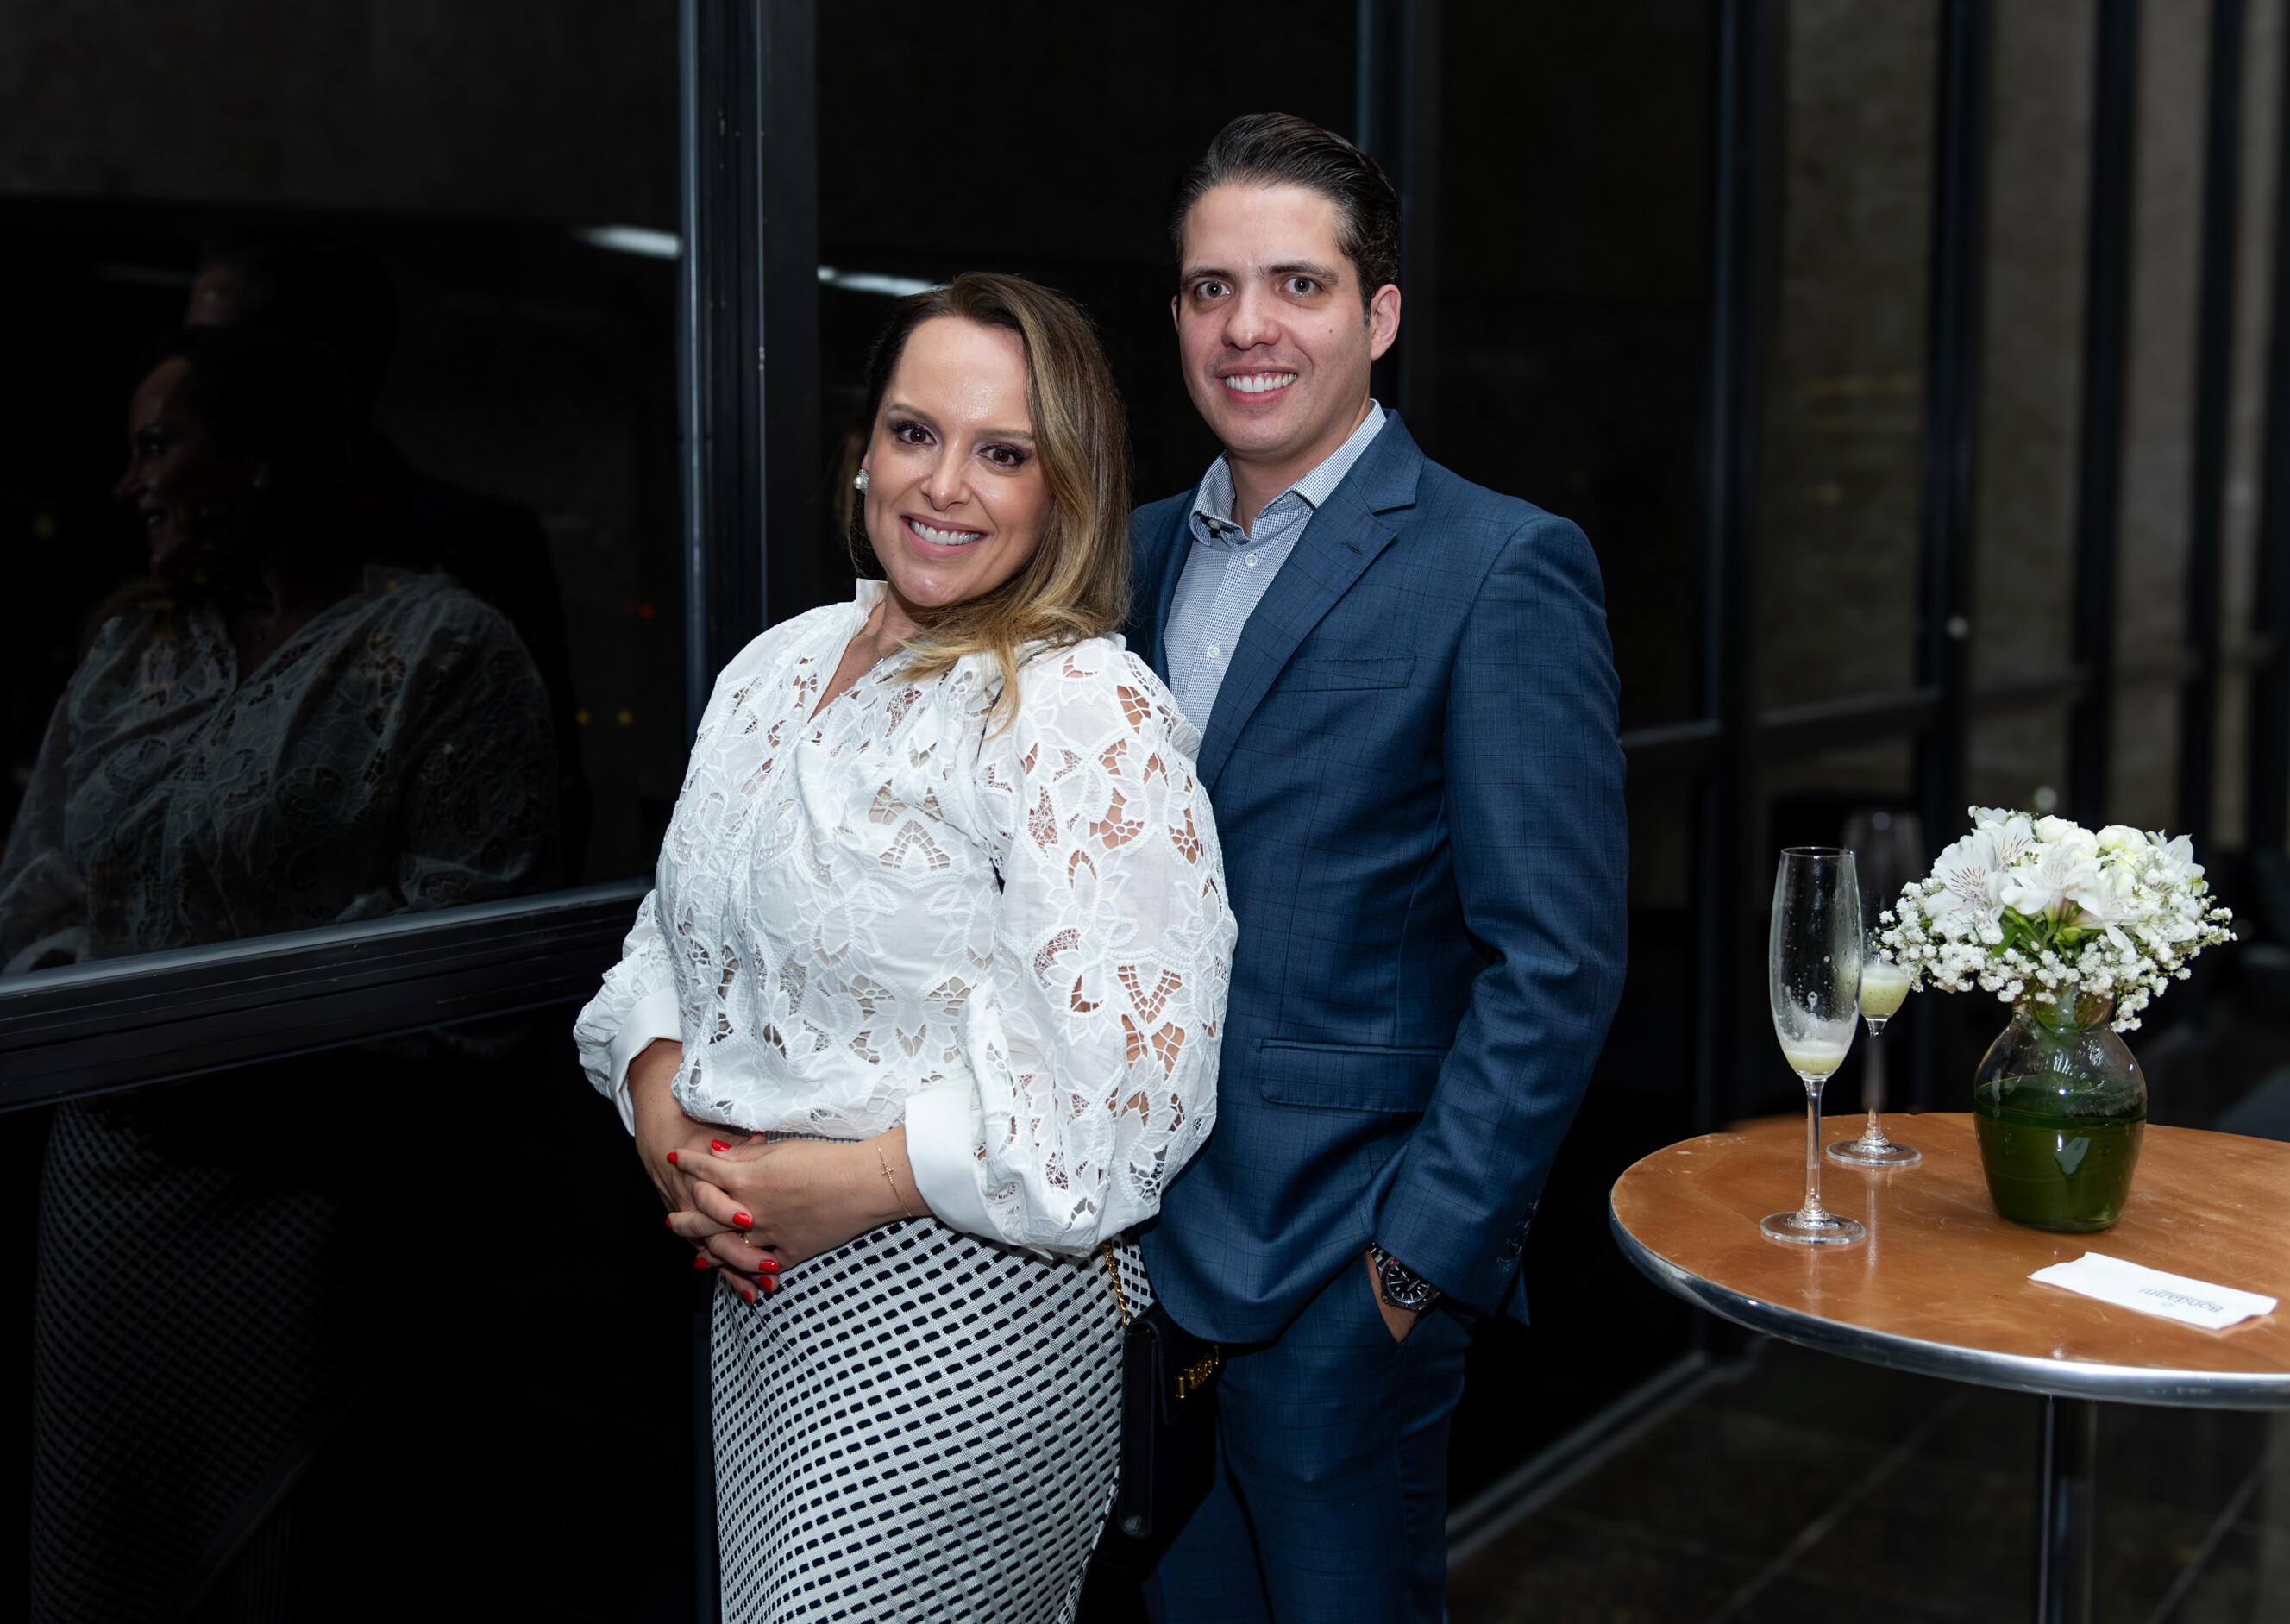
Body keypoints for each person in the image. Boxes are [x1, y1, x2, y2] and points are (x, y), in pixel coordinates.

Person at [574, 272, 1236, 1624]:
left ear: (1065, 491)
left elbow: (1123, 1101)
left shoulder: (1078, 709)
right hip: (756, 1295)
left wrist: (850, 1183)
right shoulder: (777, 663)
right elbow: (671, 937)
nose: (942, 484)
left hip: (965, 1317)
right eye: (913, 431)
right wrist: (665, 1119)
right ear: (862, 448)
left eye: (1004, 453)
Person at [1125, 114, 1628, 1621]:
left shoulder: (1498, 564)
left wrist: (1411, 1273)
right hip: (1131, 1272)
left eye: (1298, 283)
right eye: (1211, 288)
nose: (1248, 326)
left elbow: (1554, 961)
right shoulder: (1125, 557)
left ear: (1380, 315)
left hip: (1337, 1282)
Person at [4, 323, 558, 1621]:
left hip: (311, 1193)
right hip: (107, 1190)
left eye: (158, 445)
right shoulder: (132, 652)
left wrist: (237, 1052)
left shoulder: (440, 650)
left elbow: (472, 950)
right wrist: (93, 1033)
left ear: (259, 456)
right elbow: (36, 895)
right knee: (105, 1550)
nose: (131, 484)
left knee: (294, 1558)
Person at [185, 229, 594, 876]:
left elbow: (539, 811)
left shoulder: (467, 550)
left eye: (213, 356)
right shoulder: (190, 566)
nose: (182, 379)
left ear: (314, 370)